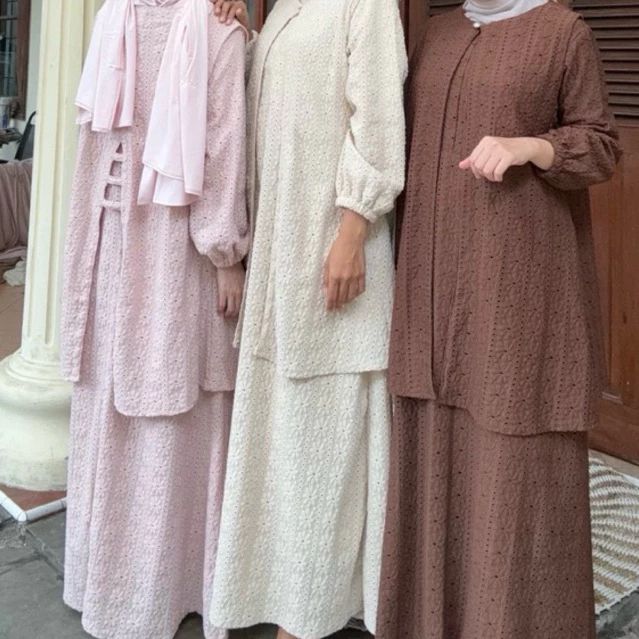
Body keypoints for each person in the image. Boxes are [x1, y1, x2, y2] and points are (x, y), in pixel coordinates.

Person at [376, 1, 621, 638]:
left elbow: (601, 147)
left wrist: (533, 146)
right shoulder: (439, 32)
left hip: (521, 296)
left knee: (516, 459)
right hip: (434, 292)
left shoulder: (562, 31)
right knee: (435, 448)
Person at [209, 1, 407, 638]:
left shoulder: (365, 6)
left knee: (328, 445)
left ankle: (309, 618)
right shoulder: (285, 11)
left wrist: (352, 232)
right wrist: (244, 31)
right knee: (288, 447)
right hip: (280, 259)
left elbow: (378, 121)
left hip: (334, 254)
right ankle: (288, 599)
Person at [60, 1, 249, 637]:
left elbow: (95, 150)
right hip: (165, 255)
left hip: (120, 247)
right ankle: (162, 587)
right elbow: (221, 151)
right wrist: (226, 255)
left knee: (132, 407)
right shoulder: (214, 30)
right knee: (167, 409)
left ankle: (111, 584)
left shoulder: (119, 17)